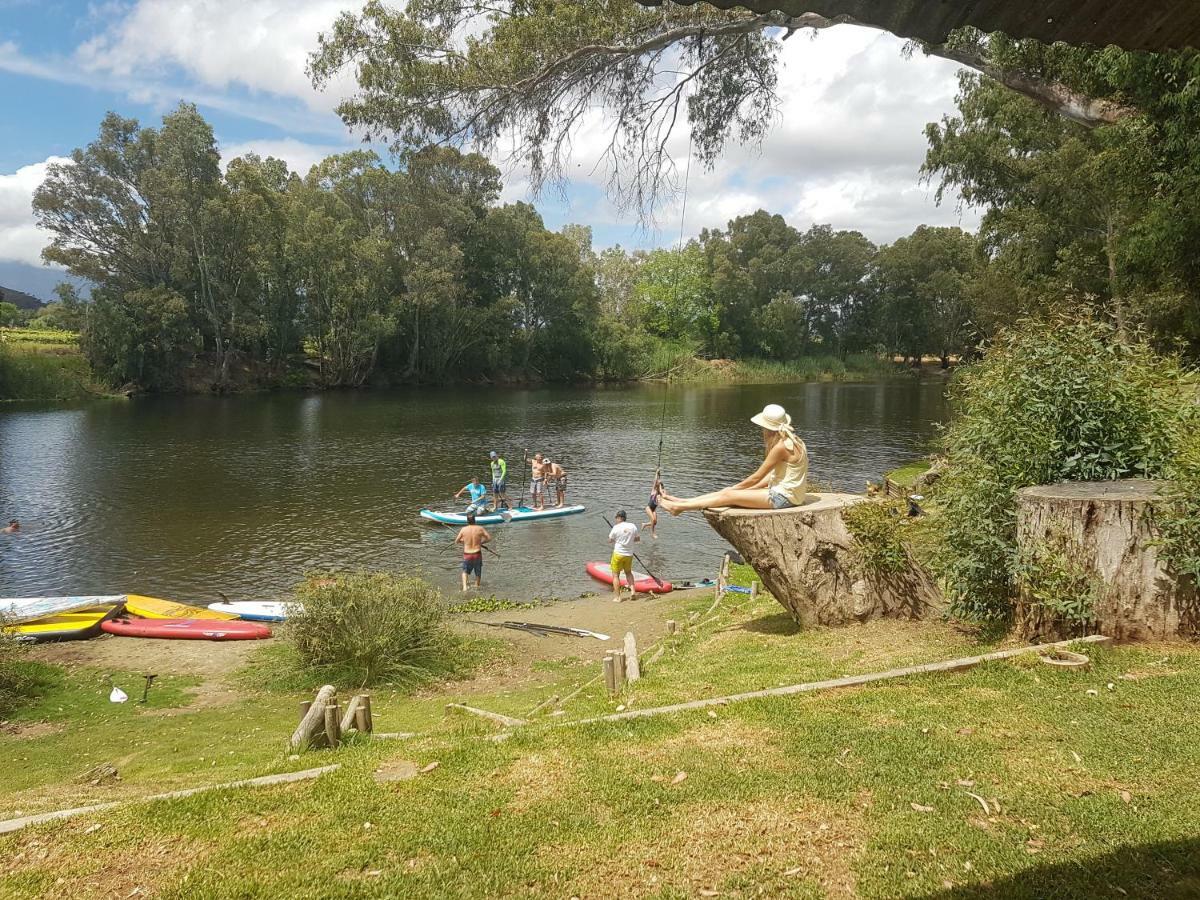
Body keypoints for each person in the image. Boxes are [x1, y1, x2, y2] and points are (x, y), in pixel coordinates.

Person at [659, 403, 808, 515]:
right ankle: (682, 501)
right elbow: (772, 477)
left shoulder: (780, 447)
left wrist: (736, 489)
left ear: (768, 429)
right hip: (791, 496)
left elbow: (757, 476)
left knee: (729, 494)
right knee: (728, 492)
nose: (762, 430)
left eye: (763, 428)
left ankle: (678, 507)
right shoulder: (795, 440)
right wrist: (741, 490)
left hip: (783, 499)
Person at [607, 509, 641, 602]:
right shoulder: (632, 526)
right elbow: (637, 539)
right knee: (628, 573)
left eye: (616, 518)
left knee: (615, 575)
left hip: (618, 554)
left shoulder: (616, 527)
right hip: (629, 555)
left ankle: (618, 597)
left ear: (619, 518)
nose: (615, 520)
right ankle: (633, 592)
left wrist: (615, 539)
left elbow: (609, 540)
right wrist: (629, 541)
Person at [455, 513, 492, 591]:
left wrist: (464, 541)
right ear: (475, 520)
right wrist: (481, 542)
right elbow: (489, 538)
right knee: (478, 572)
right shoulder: (480, 528)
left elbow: (457, 541)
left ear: (467, 521)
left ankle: (465, 588)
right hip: (477, 554)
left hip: (467, 554)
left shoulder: (463, 529)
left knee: (465, 572)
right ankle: (476, 586)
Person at [642, 471, 666, 538]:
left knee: (655, 522)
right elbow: (655, 482)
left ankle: (644, 524)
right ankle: (652, 534)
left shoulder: (660, 495)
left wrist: (661, 485)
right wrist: (656, 473)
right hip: (648, 508)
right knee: (652, 520)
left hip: (653, 510)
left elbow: (663, 492)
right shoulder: (653, 491)